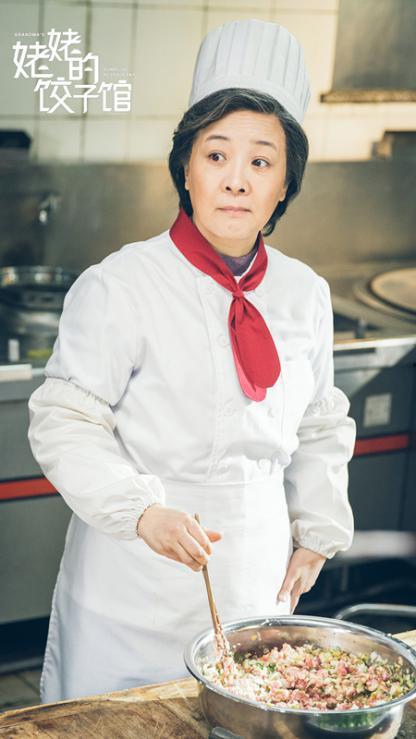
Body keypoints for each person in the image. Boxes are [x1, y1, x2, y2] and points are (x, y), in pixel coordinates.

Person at [28, 19, 356, 703]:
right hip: (130, 590)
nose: (236, 181)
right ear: (186, 168)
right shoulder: (120, 285)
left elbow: (321, 425)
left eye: (261, 162)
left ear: (285, 183)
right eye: (216, 155)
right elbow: (64, 422)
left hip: (254, 588)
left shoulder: (305, 294)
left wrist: (317, 534)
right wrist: (143, 512)